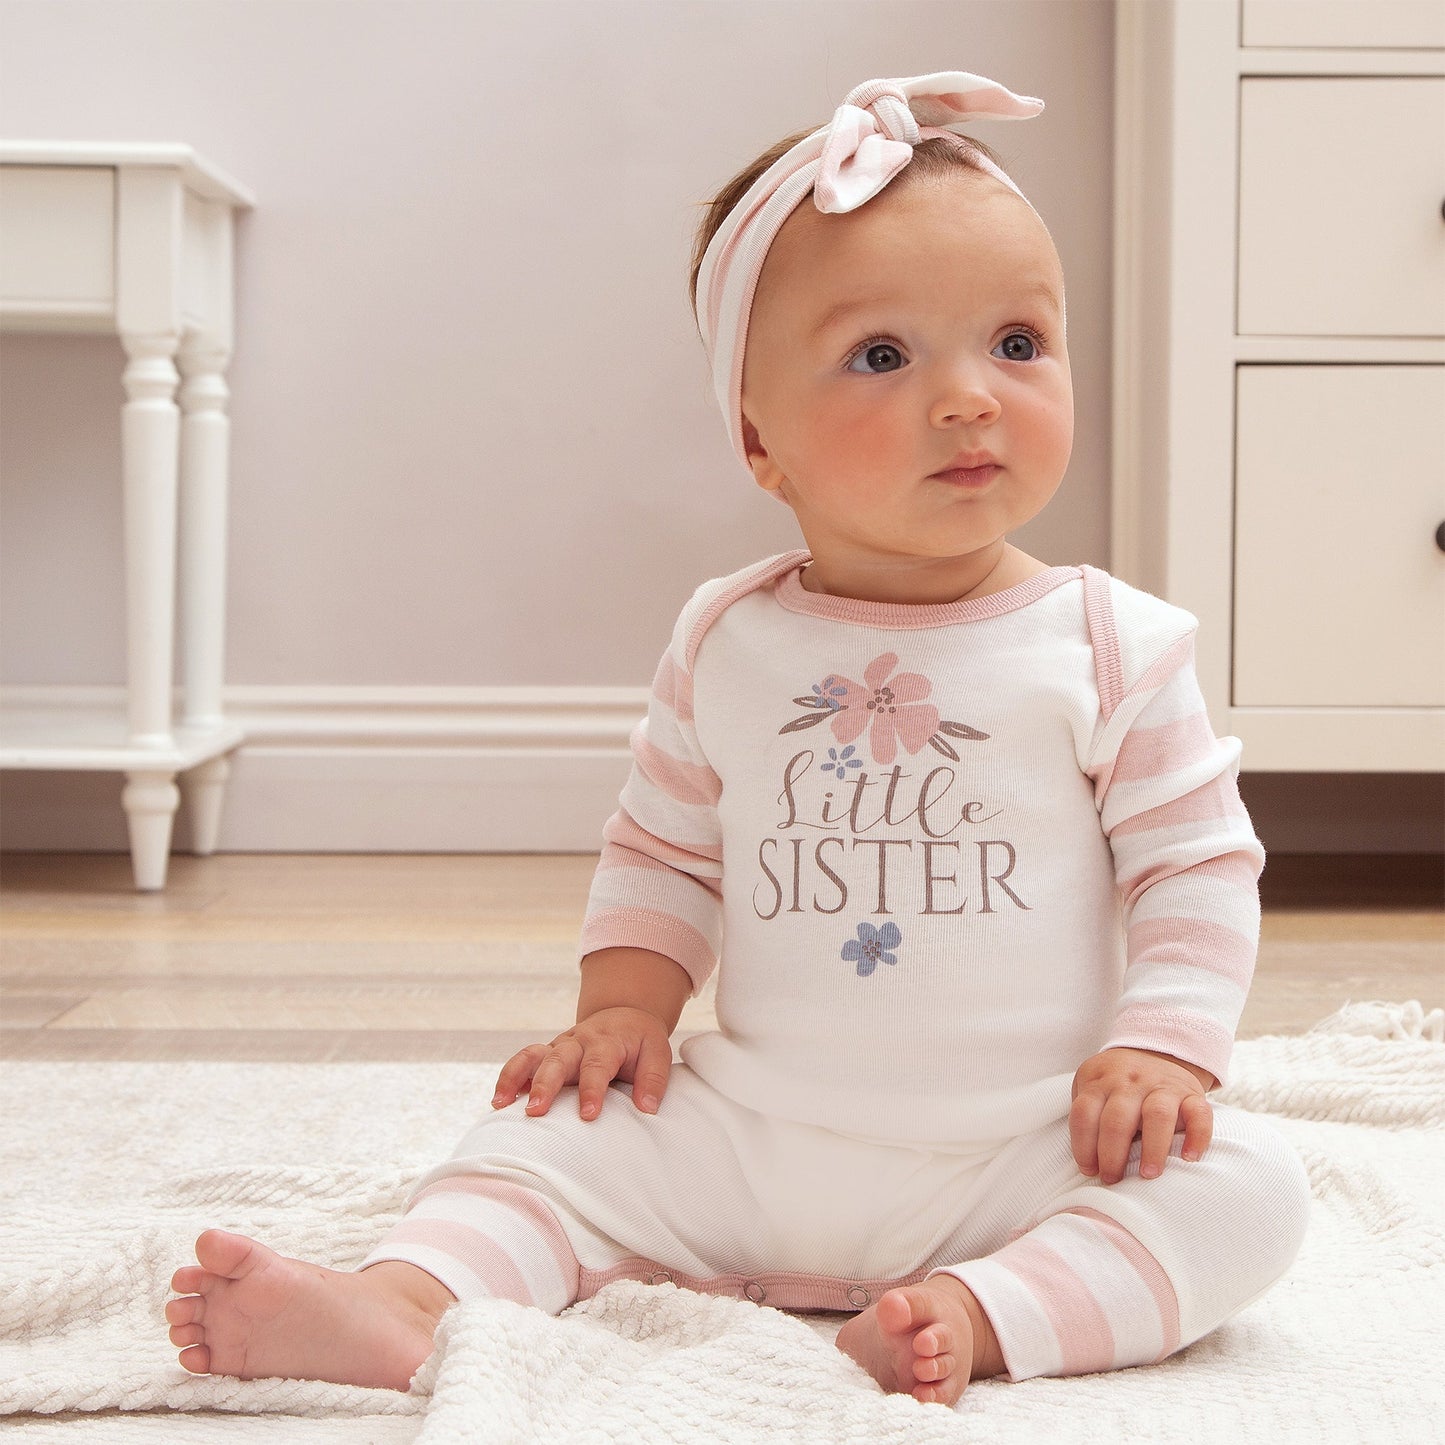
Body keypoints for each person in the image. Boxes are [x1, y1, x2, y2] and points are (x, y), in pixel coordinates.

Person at [165, 70, 1311, 1409]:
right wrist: (622, 1012)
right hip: (757, 1133)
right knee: (548, 1138)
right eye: (884, 356)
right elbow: (661, 848)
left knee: (1249, 1193)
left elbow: (1191, 865)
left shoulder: (1111, 642)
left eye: (1015, 342)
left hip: (1022, 1144)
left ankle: (979, 1311)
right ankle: (398, 1306)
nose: (969, 398)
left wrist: (1162, 1048)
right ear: (760, 440)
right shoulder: (726, 640)